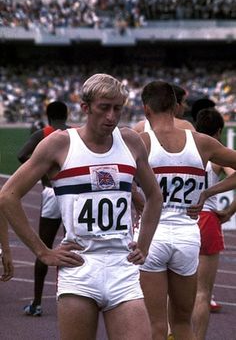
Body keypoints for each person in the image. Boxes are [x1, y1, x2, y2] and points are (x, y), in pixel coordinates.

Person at [0, 73, 163, 340]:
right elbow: (8, 195)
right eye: (104, 107)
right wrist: (42, 252)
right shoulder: (61, 144)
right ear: (85, 107)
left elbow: (155, 196)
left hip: (122, 268)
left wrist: (143, 244)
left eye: (118, 108)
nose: (112, 116)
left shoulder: (130, 142)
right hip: (79, 268)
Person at [135, 80, 236, 340]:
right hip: (187, 236)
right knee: (182, 324)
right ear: (175, 106)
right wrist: (208, 192)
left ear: (146, 110)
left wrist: (139, 201)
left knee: (155, 325)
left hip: (151, 237)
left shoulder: (139, 142)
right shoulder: (201, 142)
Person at [17, 100, 70, 316]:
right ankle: (73, 299)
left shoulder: (44, 133)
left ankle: (37, 303)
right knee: (73, 246)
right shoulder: (74, 134)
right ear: (66, 116)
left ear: (48, 116)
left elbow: (22, 154)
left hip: (50, 194)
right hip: (71, 194)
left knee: (43, 247)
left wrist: (43, 166)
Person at [191, 108, 234, 340]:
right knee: (202, 293)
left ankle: (168, 334)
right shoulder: (217, 155)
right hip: (206, 218)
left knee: (170, 290)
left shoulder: (181, 148)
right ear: (218, 132)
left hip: (180, 219)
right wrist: (229, 210)